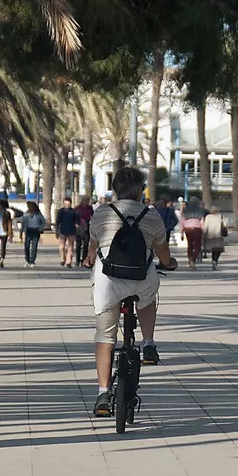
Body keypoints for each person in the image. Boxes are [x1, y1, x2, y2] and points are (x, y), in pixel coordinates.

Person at [83, 167, 177, 417]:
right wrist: (169, 263)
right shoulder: (151, 214)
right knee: (147, 298)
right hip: (141, 277)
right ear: (139, 189)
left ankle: (103, 392)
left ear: (114, 189)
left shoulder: (101, 213)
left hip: (108, 281)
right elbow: (162, 251)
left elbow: (93, 247)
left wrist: (89, 259)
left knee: (105, 335)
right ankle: (148, 343)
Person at [181, 197, 207, 269]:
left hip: (187, 228)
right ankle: (193, 259)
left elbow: (182, 221)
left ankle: (190, 259)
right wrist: (204, 231)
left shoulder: (185, 210)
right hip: (197, 228)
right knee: (197, 246)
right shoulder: (200, 210)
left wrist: (181, 232)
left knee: (190, 245)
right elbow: (202, 221)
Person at [55, 197, 79, 267]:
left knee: (70, 247)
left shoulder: (74, 212)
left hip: (71, 231)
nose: (67, 205)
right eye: (65, 204)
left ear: (71, 204)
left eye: (68, 204)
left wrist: (77, 226)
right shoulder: (61, 211)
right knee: (61, 247)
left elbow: (77, 221)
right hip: (62, 231)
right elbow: (57, 221)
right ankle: (63, 258)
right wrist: (57, 230)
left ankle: (69, 261)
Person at [21, 201, 46, 267]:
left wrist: (40, 228)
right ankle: (27, 260)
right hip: (28, 230)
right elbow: (23, 224)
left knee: (34, 247)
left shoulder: (38, 214)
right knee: (26, 246)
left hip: (35, 231)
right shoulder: (26, 213)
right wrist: (22, 232)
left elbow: (43, 222)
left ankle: (32, 261)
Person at [75, 195, 95, 267]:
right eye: (85, 200)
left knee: (86, 245)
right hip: (78, 227)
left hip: (87, 227)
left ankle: (83, 259)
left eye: (87, 200)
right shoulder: (77, 208)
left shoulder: (90, 208)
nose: (86, 201)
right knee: (78, 245)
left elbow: (93, 216)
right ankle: (77, 260)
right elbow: (74, 218)